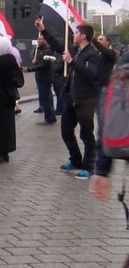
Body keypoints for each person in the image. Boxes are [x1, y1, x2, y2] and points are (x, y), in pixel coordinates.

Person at [36, 18, 101, 180]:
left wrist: (71, 62)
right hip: (70, 97)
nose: (74, 35)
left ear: (84, 36)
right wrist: (43, 30)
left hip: (85, 99)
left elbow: (90, 74)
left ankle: (89, 165)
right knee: (66, 131)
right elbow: (58, 47)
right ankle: (75, 159)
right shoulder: (74, 49)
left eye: (77, 33)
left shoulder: (92, 55)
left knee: (86, 134)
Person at [26, 35, 57, 125]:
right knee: (45, 97)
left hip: (45, 77)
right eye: (38, 39)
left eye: (40, 39)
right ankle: (51, 116)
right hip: (40, 76)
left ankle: (49, 118)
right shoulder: (38, 50)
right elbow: (36, 59)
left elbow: (43, 65)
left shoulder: (47, 51)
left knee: (45, 98)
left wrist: (30, 69)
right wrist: (34, 60)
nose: (38, 41)